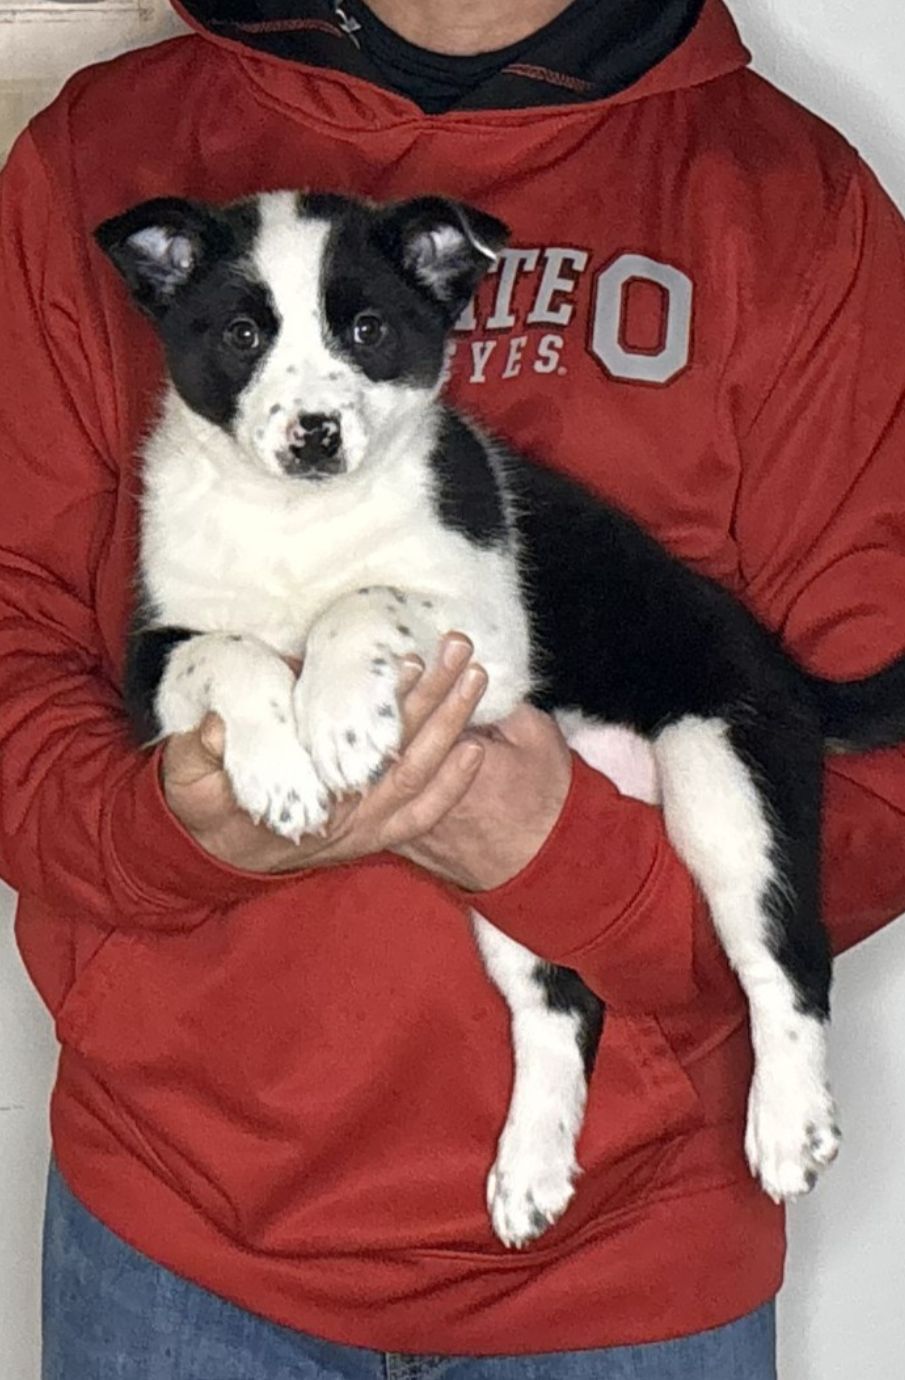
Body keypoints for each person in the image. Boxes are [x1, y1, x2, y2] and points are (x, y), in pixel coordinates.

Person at [2, 1, 905, 1375]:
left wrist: (567, 862)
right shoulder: (99, 154)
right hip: (178, 1234)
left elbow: (871, 777)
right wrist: (170, 836)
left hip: (627, 1268)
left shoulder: (791, 200)